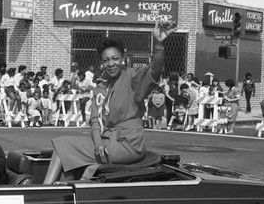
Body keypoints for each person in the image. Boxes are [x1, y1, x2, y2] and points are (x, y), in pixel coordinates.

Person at [44, 21, 177, 182]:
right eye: (106, 60)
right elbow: (95, 120)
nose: (111, 63)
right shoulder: (100, 87)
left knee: (63, 145)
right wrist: (99, 143)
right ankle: (60, 197)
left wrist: (158, 44)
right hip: (106, 142)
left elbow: (155, 70)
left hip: (129, 144)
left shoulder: (132, 77)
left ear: (123, 58)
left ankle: (44, 190)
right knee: (68, 156)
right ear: (102, 62)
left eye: (115, 58)